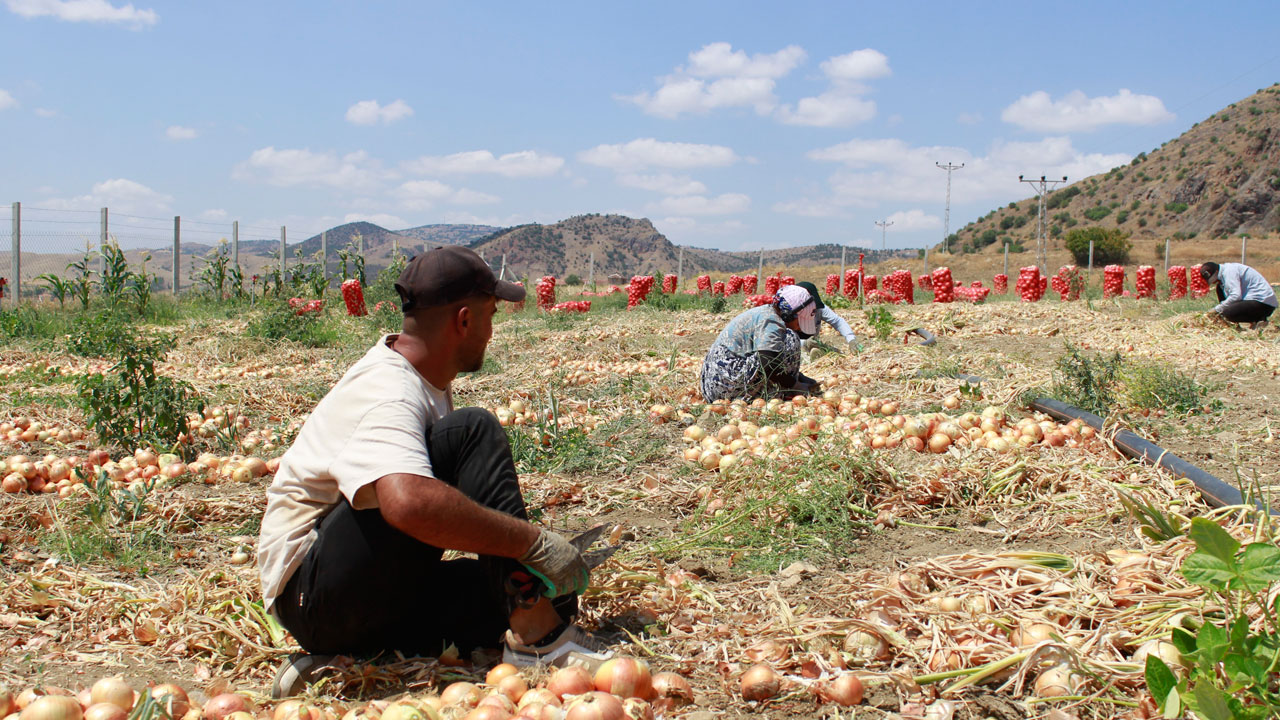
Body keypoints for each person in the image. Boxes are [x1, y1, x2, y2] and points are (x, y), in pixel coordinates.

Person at [258, 246, 611, 698]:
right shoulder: (389, 390)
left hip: (357, 603)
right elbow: (407, 504)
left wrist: (528, 567)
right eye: (491, 314)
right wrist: (530, 542)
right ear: (464, 320)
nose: (491, 330)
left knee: (555, 595)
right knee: (471, 431)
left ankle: (341, 662)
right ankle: (536, 638)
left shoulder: (425, 381)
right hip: (315, 594)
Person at [700, 284, 821, 402]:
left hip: (714, 384)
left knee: (784, 342)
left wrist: (799, 377)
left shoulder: (765, 313)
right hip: (726, 388)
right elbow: (767, 363)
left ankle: (784, 386)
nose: (800, 328)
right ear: (788, 315)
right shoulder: (771, 322)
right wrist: (795, 385)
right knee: (791, 338)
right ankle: (785, 389)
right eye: (800, 322)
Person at [1200, 261, 1277, 329]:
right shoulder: (1224, 275)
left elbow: (1236, 296)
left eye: (1212, 279)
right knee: (1220, 289)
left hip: (1263, 302)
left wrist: (1216, 309)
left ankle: (1259, 319)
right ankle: (1256, 321)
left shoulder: (1229, 272)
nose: (1213, 282)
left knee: (1227, 312)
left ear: (1217, 272)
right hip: (1256, 302)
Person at [794, 281, 860, 354]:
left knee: (830, 353)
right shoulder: (789, 312)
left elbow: (837, 321)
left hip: (813, 344)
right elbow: (783, 338)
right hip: (793, 348)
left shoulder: (819, 308)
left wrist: (851, 339)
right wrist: (804, 343)